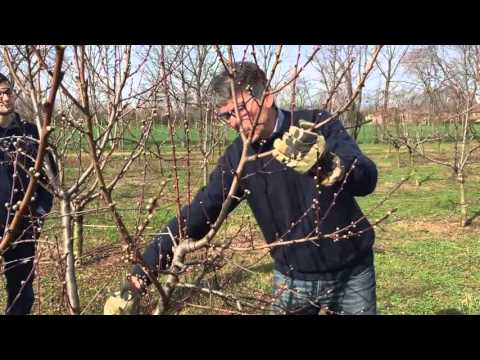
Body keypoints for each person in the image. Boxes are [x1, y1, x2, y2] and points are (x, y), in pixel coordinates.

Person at [104, 62, 378, 315]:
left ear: (266, 97)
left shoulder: (316, 125)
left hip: (351, 273)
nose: (234, 122)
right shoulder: (240, 158)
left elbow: (367, 179)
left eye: (240, 110)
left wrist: (330, 165)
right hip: (292, 280)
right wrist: (139, 276)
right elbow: (200, 213)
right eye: (226, 116)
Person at [0, 73, 55, 315]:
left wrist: (38, 215)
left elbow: (49, 179)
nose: (4, 97)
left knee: (21, 292)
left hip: (23, 227)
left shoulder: (31, 134)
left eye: (7, 91)